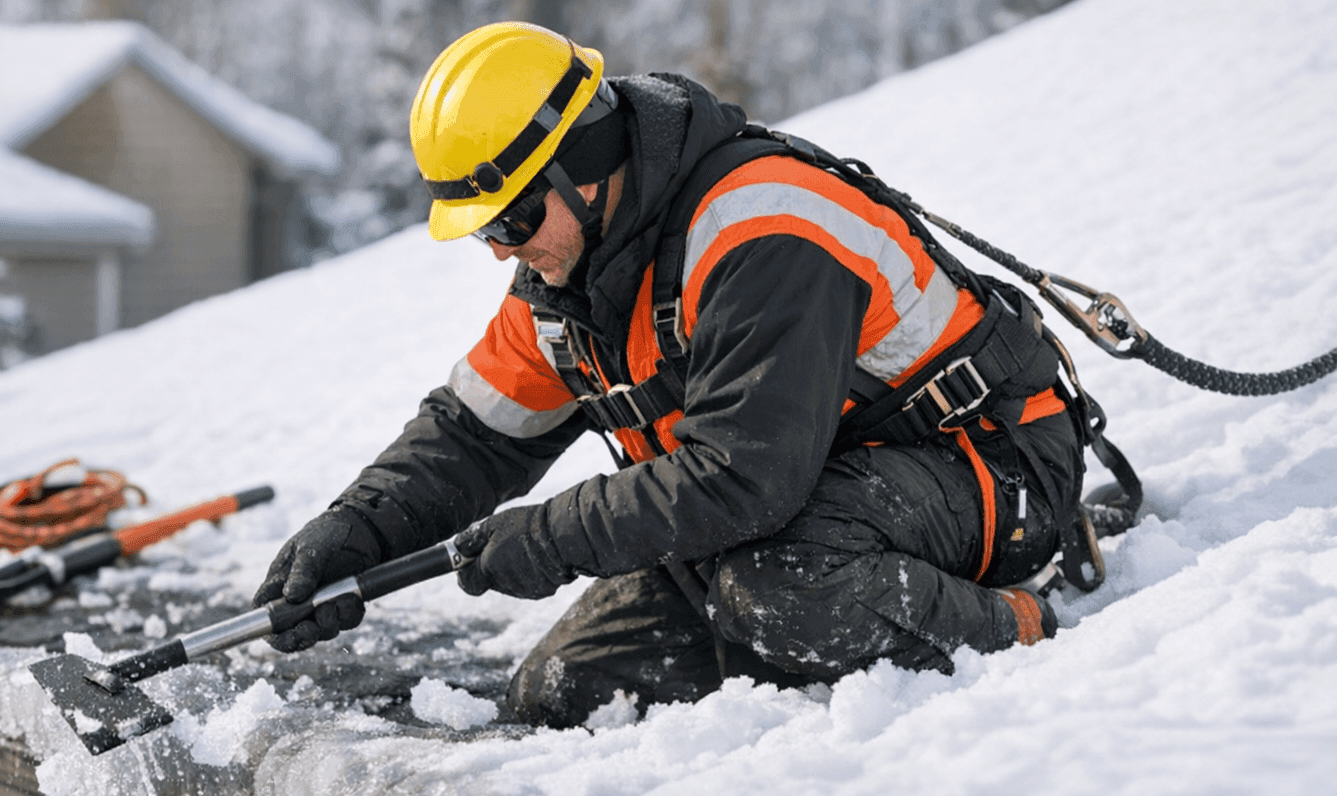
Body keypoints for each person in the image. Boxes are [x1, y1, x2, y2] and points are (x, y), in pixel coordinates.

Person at [255, 22, 1085, 728]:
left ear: (583, 165)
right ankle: (801, 630)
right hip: (795, 506)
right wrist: (355, 531)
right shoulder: (564, 277)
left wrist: (546, 537)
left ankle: (1011, 621)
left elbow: (744, 478)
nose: (505, 251)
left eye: (512, 217)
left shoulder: (763, 229)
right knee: (560, 690)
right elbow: (475, 434)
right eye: (486, 233)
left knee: (779, 589)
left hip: (984, 471)